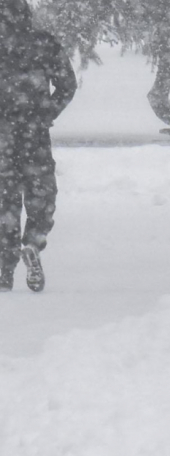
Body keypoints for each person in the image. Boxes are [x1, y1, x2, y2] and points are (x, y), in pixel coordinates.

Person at [0, 0, 77, 292]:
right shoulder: (43, 43)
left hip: (2, 136)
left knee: (4, 203)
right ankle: (33, 242)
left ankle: (3, 269)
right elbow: (67, 85)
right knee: (41, 196)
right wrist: (46, 113)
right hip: (34, 136)